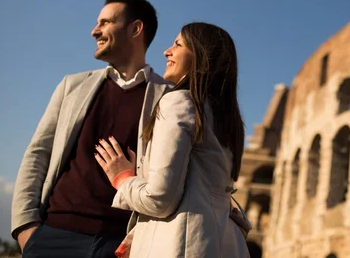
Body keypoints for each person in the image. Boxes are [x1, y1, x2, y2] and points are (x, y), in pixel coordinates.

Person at [11, 0, 249, 258]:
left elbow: (189, 173)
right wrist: (25, 226)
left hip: (123, 242)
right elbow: (38, 154)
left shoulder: (174, 97)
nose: (94, 31)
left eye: (105, 22)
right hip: (55, 235)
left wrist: (225, 210)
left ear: (136, 28)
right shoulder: (72, 86)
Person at [95, 22, 250, 257]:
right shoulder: (225, 119)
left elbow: (160, 200)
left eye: (177, 44)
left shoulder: (178, 102)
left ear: (200, 54)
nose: (167, 51)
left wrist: (123, 178)